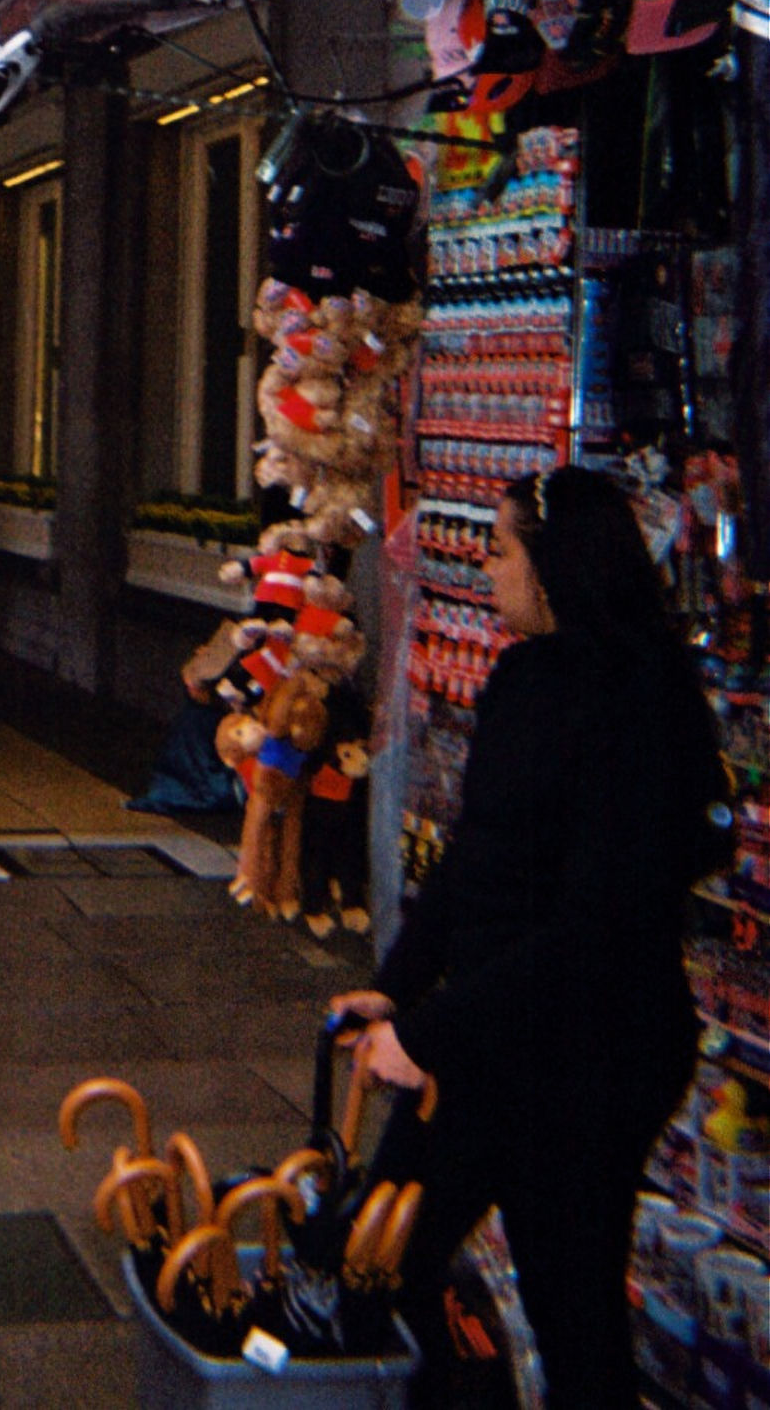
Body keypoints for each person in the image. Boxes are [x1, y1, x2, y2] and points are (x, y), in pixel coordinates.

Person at [333, 465, 731, 1408]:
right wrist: (397, 986)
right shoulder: (522, 676)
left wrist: (426, 1034)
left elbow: (589, 921)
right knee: (378, 1255)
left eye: (501, 546)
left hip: (592, 1051)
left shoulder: (633, 703)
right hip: (504, 1033)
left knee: (561, 1294)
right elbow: (477, 857)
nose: (486, 564)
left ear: (551, 564)